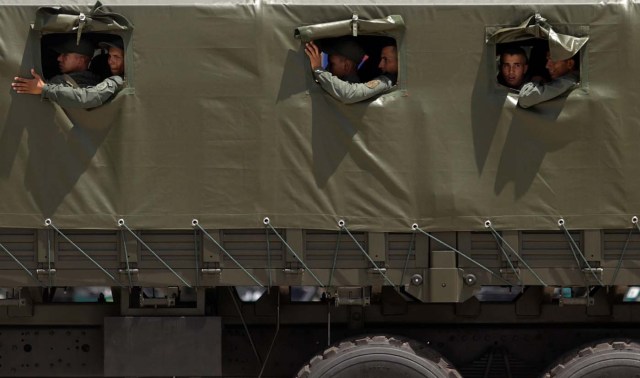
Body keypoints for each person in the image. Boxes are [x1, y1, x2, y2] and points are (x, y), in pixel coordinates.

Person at [11, 38, 125, 109]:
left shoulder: (116, 80)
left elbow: (87, 97)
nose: (110, 61)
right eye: (109, 56)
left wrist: (44, 89)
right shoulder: (97, 78)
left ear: (81, 60)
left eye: (65, 55)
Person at [305, 39, 398, 104]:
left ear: (346, 65)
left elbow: (349, 94)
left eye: (332, 63)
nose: (380, 65)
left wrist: (318, 69)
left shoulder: (388, 80)